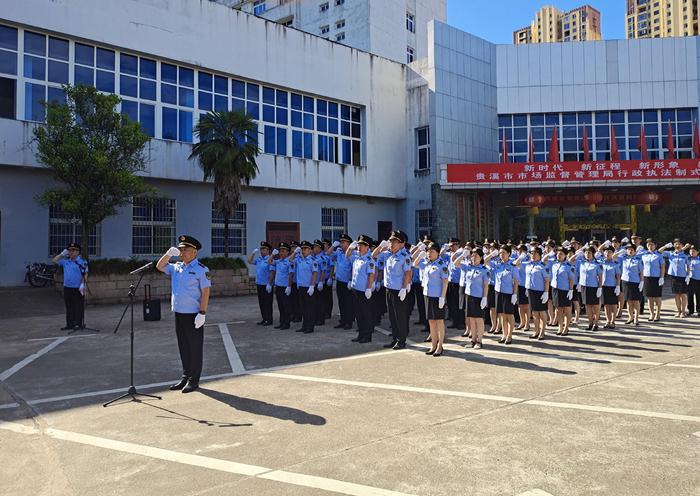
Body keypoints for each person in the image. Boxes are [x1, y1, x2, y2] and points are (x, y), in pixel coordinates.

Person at [157, 235, 211, 393]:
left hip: (193, 315)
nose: (182, 252)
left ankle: (194, 380)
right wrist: (168, 254)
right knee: (183, 347)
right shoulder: (177, 267)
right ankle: (185, 376)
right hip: (179, 314)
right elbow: (160, 266)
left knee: (194, 348)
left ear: (195, 252)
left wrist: (202, 313)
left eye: (186, 249)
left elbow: (205, 292)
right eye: (180, 249)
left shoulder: (201, 269)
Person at [375, 230, 412, 349]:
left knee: (400, 316)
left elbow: (407, 273)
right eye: (390, 241)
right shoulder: (387, 254)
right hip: (389, 289)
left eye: (395, 242)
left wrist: (404, 288)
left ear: (401, 244)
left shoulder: (404, 256)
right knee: (392, 316)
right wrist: (381, 246)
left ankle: (401, 341)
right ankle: (394, 338)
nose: (391, 244)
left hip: (399, 290)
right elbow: (373, 255)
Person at [415, 242, 449, 356]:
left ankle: (440, 346)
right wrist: (420, 255)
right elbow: (415, 264)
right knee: (431, 321)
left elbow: (445, 282)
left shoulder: (442, 265)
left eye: (432, 251)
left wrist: (442, 297)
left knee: (439, 321)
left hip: (437, 296)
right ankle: (433, 345)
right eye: (428, 251)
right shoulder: (427, 263)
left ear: (438, 253)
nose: (429, 253)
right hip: (427, 295)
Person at [52, 242, 88, 331]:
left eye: (73, 250)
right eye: (69, 250)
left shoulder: (82, 261)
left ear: (78, 252)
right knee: (69, 306)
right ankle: (70, 324)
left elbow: (85, 273)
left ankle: (78, 324)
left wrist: (83, 284)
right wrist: (62, 254)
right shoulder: (66, 261)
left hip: (77, 288)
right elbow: (54, 260)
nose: (71, 252)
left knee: (78, 306)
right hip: (67, 287)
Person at [347, 235, 376, 343]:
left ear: (367, 247)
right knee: (358, 314)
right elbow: (347, 255)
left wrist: (369, 288)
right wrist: (350, 247)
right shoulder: (356, 257)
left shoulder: (369, 259)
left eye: (362, 245)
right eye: (359, 245)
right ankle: (361, 334)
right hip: (355, 289)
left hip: (364, 291)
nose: (359, 247)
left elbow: (371, 275)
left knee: (366, 314)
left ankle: (367, 336)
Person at [490, 244, 518, 344]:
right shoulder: (497, 263)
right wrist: (492, 254)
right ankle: (504, 334)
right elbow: (484, 261)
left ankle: (510, 335)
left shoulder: (512, 266)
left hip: (508, 293)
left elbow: (516, 281)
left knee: (509, 315)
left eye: (504, 253)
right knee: (501, 315)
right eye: (500, 253)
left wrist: (515, 294)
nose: (501, 255)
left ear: (509, 254)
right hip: (498, 292)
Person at [462, 248, 490, 349]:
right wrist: (463, 255)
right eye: (472, 256)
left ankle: (479, 341)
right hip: (469, 295)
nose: (473, 258)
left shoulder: (484, 269)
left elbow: (486, 284)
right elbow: (456, 263)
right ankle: (473, 340)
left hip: (479, 297)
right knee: (471, 319)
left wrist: (484, 298)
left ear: (481, 258)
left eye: (476, 256)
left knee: (479, 319)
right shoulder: (468, 267)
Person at [523, 246, 550, 340]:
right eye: (531, 253)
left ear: (539, 255)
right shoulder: (528, 265)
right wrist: (527, 288)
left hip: (540, 291)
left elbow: (547, 280)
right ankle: (536, 331)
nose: (533, 255)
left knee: (541, 312)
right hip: (531, 291)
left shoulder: (542, 266)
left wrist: (546, 292)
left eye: (535, 253)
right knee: (534, 312)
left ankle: (542, 332)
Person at [292, 241, 319, 334]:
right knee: (303, 308)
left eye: (305, 249)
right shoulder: (299, 259)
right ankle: (304, 325)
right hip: (301, 287)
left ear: (310, 250)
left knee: (309, 308)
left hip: (308, 288)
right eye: (302, 249)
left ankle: (310, 327)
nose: (303, 251)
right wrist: (295, 252)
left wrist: (312, 286)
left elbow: (315, 273)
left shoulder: (313, 261)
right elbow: (289, 260)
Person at [329, 234, 354, 329]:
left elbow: (353, 268)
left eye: (344, 242)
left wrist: (351, 280)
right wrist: (333, 246)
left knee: (348, 303)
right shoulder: (339, 252)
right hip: (339, 281)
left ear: (349, 243)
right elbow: (328, 254)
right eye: (341, 242)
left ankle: (349, 322)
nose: (341, 244)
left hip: (347, 282)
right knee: (341, 302)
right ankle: (343, 321)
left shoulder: (352, 254)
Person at [660, 239, 690, 318]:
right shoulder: (670, 254)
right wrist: (666, 246)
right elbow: (659, 251)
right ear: (673, 245)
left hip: (683, 277)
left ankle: (683, 312)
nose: (677, 245)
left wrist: (688, 275)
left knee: (683, 295)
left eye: (679, 244)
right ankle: (678, 311)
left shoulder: (685, 255)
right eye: (676, 244)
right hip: (673, 277)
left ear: (682, 246)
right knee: (676, 295)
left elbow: (688, 266)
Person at [269, 242, 294, 330]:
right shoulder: (278, 261)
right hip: (278, 286)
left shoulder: (289, 261)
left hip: (285, 287)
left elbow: (291, 274)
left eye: (283, 251)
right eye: (280, 251)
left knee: (286, 306)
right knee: (280, 306)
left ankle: (286, 323)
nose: (281, 253)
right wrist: (272, 254)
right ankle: (281, 322)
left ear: (288, 252)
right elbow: (269, 262)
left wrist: (289, 286)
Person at [550, 247, 575, 336]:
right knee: (558, 310)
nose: (558, 255)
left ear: (565, 255)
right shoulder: (554, 265)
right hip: (555, 289)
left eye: (561, 254)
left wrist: (571, 290)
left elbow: (571, 279)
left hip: (565, 290)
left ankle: (566, 328)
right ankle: (560, 327)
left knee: (567, 310)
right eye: (557, 254)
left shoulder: (568, 266)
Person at [577, 246, 603, 331]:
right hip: (584, 286)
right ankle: (590, 323)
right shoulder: (582, 263)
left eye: (589, 253)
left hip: (594, 287)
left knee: (595, 306)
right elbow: (571, 260)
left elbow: (600, 277)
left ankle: (596, 324)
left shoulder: (597, 264)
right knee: (587, 306)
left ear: (593, 254)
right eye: (586, 253)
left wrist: (599, 288)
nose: (587, 254)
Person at [248, 241, 273, 326]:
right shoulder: (259, 259)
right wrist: (253, 253)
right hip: (259, 284)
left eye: (264, 249)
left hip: (267, 285)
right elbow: (249, 261)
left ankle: (269, 320)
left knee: (267, 303)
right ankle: (264, 318)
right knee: (261, 303)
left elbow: (272, 273)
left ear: (268, 250)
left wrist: (269, 284)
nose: (262, 251)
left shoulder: (270, 259)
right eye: (261, 249)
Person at [640, 238, 665, 322]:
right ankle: (651, 314)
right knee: (649, 297)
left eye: (652, 245)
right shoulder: (644, 255)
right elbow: (641, 267)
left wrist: (662, 277)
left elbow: (662, 267)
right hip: (647, 277)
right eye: (648, 245)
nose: (650, 246)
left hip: (656, 278)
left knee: (657, 297)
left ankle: (658, 314)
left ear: (655, 246)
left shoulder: (659, 255)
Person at [620, 244, 644, 326]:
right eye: (628, 249)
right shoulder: (623, 259)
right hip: (625, 282)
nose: (630, 251)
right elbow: (613, 257)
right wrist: (621, 251)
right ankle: (630, 317)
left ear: (634, 251)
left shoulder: (638, 260)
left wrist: (641, 282)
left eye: (631, 250)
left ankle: (636, 318)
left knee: (636, 301)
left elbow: (641, 272)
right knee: (628, 301)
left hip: (635, 282)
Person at [600, 246, 621, 329]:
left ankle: (613, 321)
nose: (607, 253)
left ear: (612, 253)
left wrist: (618, 286)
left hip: (613, 286)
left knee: (613, 305)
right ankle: (607, 321)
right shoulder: (601, 262)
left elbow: (618, 275)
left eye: (609, 252)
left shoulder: (615, 264)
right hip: (604, 286)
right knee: (606, 305)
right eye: (605, 252)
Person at [445, 238, 464, 329]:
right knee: (451, 304)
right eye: (450, 245)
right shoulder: (449, 254)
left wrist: (458, 251)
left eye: (453, 245)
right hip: (450, 281)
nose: (451, 247)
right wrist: (445, 248)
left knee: (459, 303)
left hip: (458, 282)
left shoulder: (461, 254)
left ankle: (461, 322)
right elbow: (440, 255)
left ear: (457, 245)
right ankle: (454, 321)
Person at [514, 244, 531, 333]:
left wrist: (522, 258)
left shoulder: (528, 259)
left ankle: (527, 323)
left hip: (526, 285)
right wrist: (520, 258)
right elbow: (514, 264)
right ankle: (522, 322)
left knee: (527, 306)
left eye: (521, 250)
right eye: (518, 250)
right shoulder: (518, 259)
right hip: (518, 285)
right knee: (520, 305)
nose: (519, 252)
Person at [312, 240, 328, 326]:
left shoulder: (323, 258)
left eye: (315, 247)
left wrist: (321, 282)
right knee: (314, 302)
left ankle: (320, 319)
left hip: (319, 283)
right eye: (314, 247)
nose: (314, 249)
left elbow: (323, 271)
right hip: (314, 283)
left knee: (320, 302)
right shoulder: (313, 257)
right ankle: (315, 318)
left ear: (320, 248)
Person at [686, 246, 700, 317]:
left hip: (698, 280)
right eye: (690, 251)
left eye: (694, 251)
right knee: (689, 295)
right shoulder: (687, 259)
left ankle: (699, 310)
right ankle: (690, 310)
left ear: (697, 252)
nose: (692, 252)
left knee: (698, 295)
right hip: (689, 280)